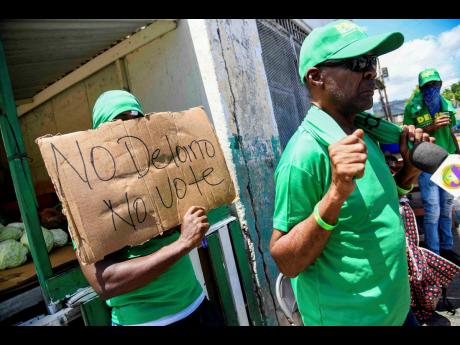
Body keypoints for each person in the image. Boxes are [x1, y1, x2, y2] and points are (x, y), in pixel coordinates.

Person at [269, 20, 432, 326]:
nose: (370, 72)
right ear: (316, 77)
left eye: (371, 61)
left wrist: (409, 172)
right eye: (358, 63)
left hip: (397, 312)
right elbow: (286, 261)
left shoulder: (363, 132)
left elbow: (372, 205)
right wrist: (335, 193)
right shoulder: (304, 155)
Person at [76, 90, 223, 326]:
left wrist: (193, 224)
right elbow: (105, 283)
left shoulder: (160, 176)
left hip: (196, 308)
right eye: (116, 123)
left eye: (134, 120)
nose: (127, 130)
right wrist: (182, 243)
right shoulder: (84, 202)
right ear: (98, 134)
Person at [403, 69, 460, 265]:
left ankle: (447, 248)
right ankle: (434, 253)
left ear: (441, 84)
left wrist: (458, 152)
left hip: (449, 161)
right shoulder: (413, 108)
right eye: (428, 86)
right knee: (432, 209)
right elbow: (407, 135)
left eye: (436, 84)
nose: (432, 89)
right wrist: (430, 127)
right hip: (427, 162)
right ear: (421, 88)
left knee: (446, 208)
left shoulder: (445, 104)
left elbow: (451, 130)